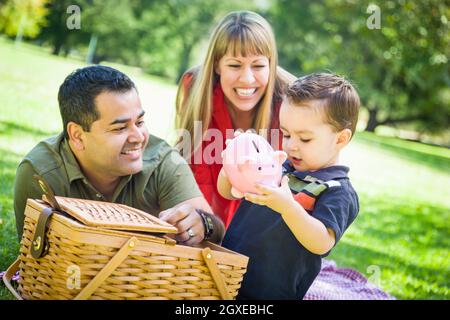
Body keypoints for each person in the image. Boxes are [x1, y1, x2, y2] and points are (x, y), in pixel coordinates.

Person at [14, 65, 224, 245]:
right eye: (120, 128)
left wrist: (202, 223)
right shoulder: (41, 172)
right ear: (77, 136)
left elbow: (216, 231)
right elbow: (38, 256)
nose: (138, 137)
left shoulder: (165, 162)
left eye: (140, 122)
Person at [218, 73, 361, 299]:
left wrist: (288, 207)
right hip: (225, 274)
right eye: (286, 134)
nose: (291, 146)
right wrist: (231, 168)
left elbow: (322, 242)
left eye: (304, 139)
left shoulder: (336, 190)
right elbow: (227, 192)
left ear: (340, 139)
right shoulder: (278, 165)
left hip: (270, 292)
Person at [175, 10, 295, 227]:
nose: (247, 78)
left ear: (271, 64)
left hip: (266, 224)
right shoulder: (196, 86)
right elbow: (194, 166)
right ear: (217, 65)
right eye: (235, 65)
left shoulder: (290, 99)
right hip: (207, 213)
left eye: (258, 65)